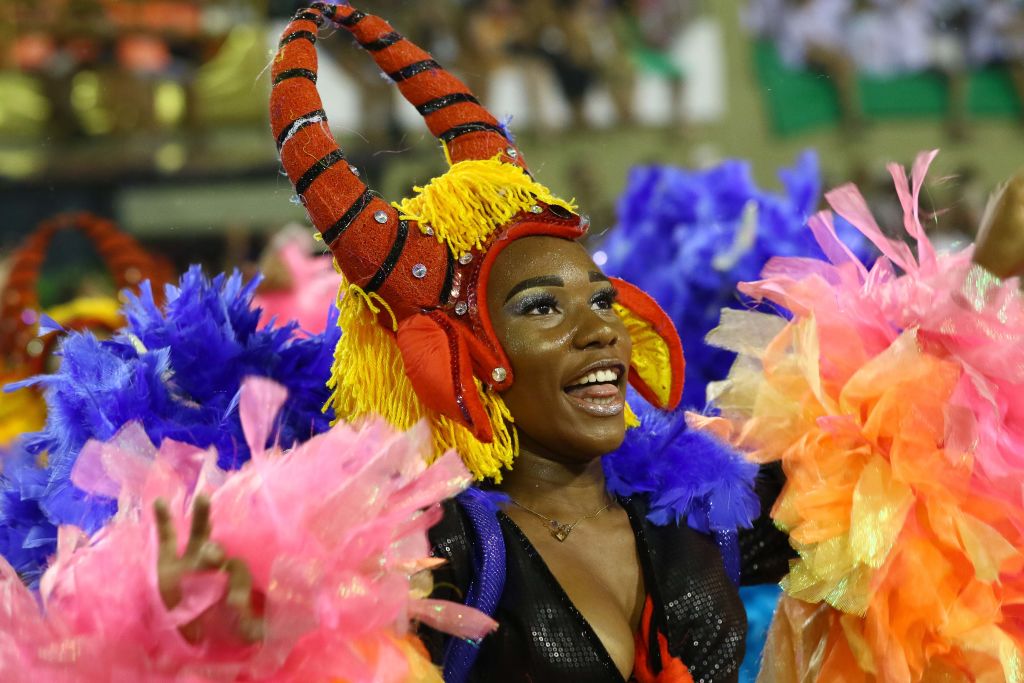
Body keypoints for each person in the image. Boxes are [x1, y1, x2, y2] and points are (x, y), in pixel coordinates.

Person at [263, 3, 790, 681]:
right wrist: (243, 626)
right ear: (462, 356)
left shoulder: (688, 507)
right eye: (542, 307)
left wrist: (963, 297)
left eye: (602, 299)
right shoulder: (437, 551)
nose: (601, 328)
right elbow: (314, 640)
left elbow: (900, 449)